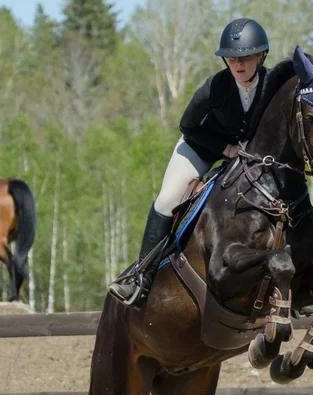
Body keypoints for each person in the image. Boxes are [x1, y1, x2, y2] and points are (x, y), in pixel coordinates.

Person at [108, 17, 270, 308]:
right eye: (232, 58)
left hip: (249, 156)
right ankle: (140, 278)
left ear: (260, 56)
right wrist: (224, 148)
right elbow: (188, 126)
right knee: (168, 199)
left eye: (245, 57)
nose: (238, 64)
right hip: (201, 146)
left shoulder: (271, 85)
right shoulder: (215, 87)